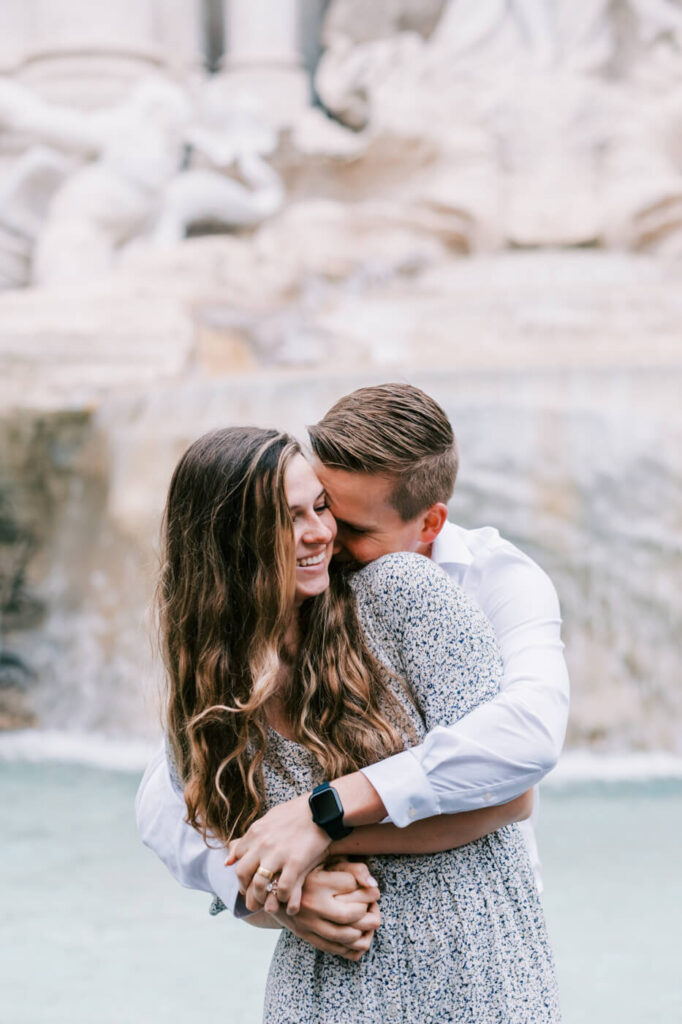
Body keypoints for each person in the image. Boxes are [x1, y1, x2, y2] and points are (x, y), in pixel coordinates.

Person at [136, 383, 569, 957]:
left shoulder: (499, 585)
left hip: (473, 931)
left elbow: (524, 754)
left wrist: (323, 820)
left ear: (430, 524)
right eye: (312, 506)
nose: (325, 538)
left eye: (349, 526)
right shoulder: (291, 609)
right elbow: (166, 801)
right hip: (339, 947)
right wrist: (275, 893)